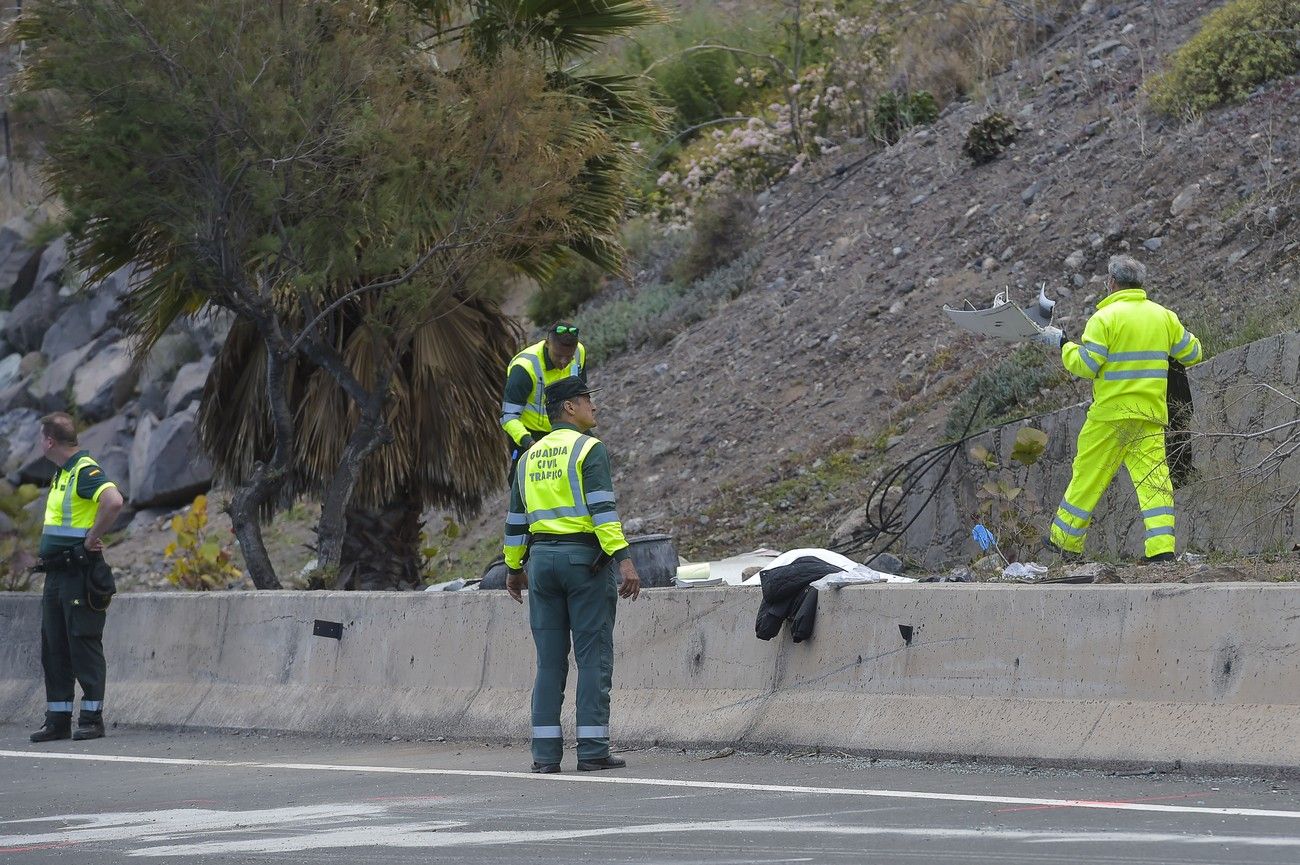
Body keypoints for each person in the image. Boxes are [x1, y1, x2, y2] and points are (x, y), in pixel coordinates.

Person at [503, 376, 640, 774]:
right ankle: (593, 749)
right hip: (583, 563)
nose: (592, 407)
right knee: (593, 658)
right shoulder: (589, 449)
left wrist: (513, 567)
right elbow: (603, 511)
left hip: (541, 564)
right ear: (568, 408)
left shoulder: (528, 456)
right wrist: (624, 559)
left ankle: (544, 756)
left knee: (549, 663)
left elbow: (515, 520)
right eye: (586, 400)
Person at [1033, 255, 1204, 562]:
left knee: (1088, 475)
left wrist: (1063, 344)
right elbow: (1192, 352)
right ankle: (1162, 549)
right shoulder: (1163, 316)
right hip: (1150, 415)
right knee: (1154, 481)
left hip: (1110, 417)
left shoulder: (1104, 319)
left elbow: (1086, 364)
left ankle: (1065, 541)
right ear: (1140, 284)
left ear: (1111, 283)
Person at [28, 412, 125, 743]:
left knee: (82, 642)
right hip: (56, 574)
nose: (40, 444)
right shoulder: (62, 474)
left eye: (41, 438)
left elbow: (113, 501)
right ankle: (57, 719)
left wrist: (92, 535)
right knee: (54, 645)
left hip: (78, 572)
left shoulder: (84, 471)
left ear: (50, 441)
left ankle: (91, 717)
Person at [499, 322, 586, 464]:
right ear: (547, 344)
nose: (564, 362)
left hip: (566, 427)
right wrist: (530, 444)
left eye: (568, 357)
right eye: (558, 356)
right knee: (522, 481)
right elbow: (508, 417)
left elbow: (581, 394)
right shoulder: (524, 368)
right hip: (530, 435)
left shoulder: (579, 352)